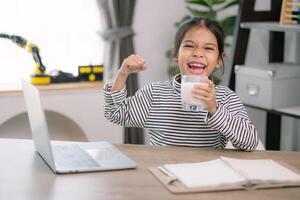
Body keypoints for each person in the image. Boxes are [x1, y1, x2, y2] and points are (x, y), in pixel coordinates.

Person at [103, 17, 258, 151]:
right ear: (176, 55)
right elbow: (115, 113)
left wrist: (214, 109)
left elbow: (250, 143)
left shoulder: (225, 97)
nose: (198, 53)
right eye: (190, 46)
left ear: (219, 60)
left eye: (208, 48)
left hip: (207, 176)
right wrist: (122, 73)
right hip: (163, 174)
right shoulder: (155, 93)